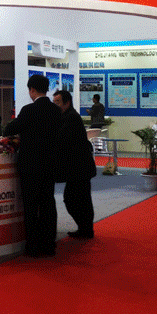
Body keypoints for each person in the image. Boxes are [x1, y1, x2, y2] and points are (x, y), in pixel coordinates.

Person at [4, 74, 61, 257]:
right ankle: (49, 244)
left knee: (31, 206)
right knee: (48, 203)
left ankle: (33, 246)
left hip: (30, 165)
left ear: (32, 90)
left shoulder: (29, 110)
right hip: (50, 164)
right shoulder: (56, 110)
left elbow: (10, 129)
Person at [52, 90, 97, 238]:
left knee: (76, 199)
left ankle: (86, 229)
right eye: (54, 102)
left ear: (67, 103)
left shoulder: (71, 117)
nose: (55, 105)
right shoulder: (65, 116)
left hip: (80, 167)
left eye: (58, 102)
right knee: (77, 199)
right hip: (77, 168)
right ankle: (85, 229)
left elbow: (61, 139)